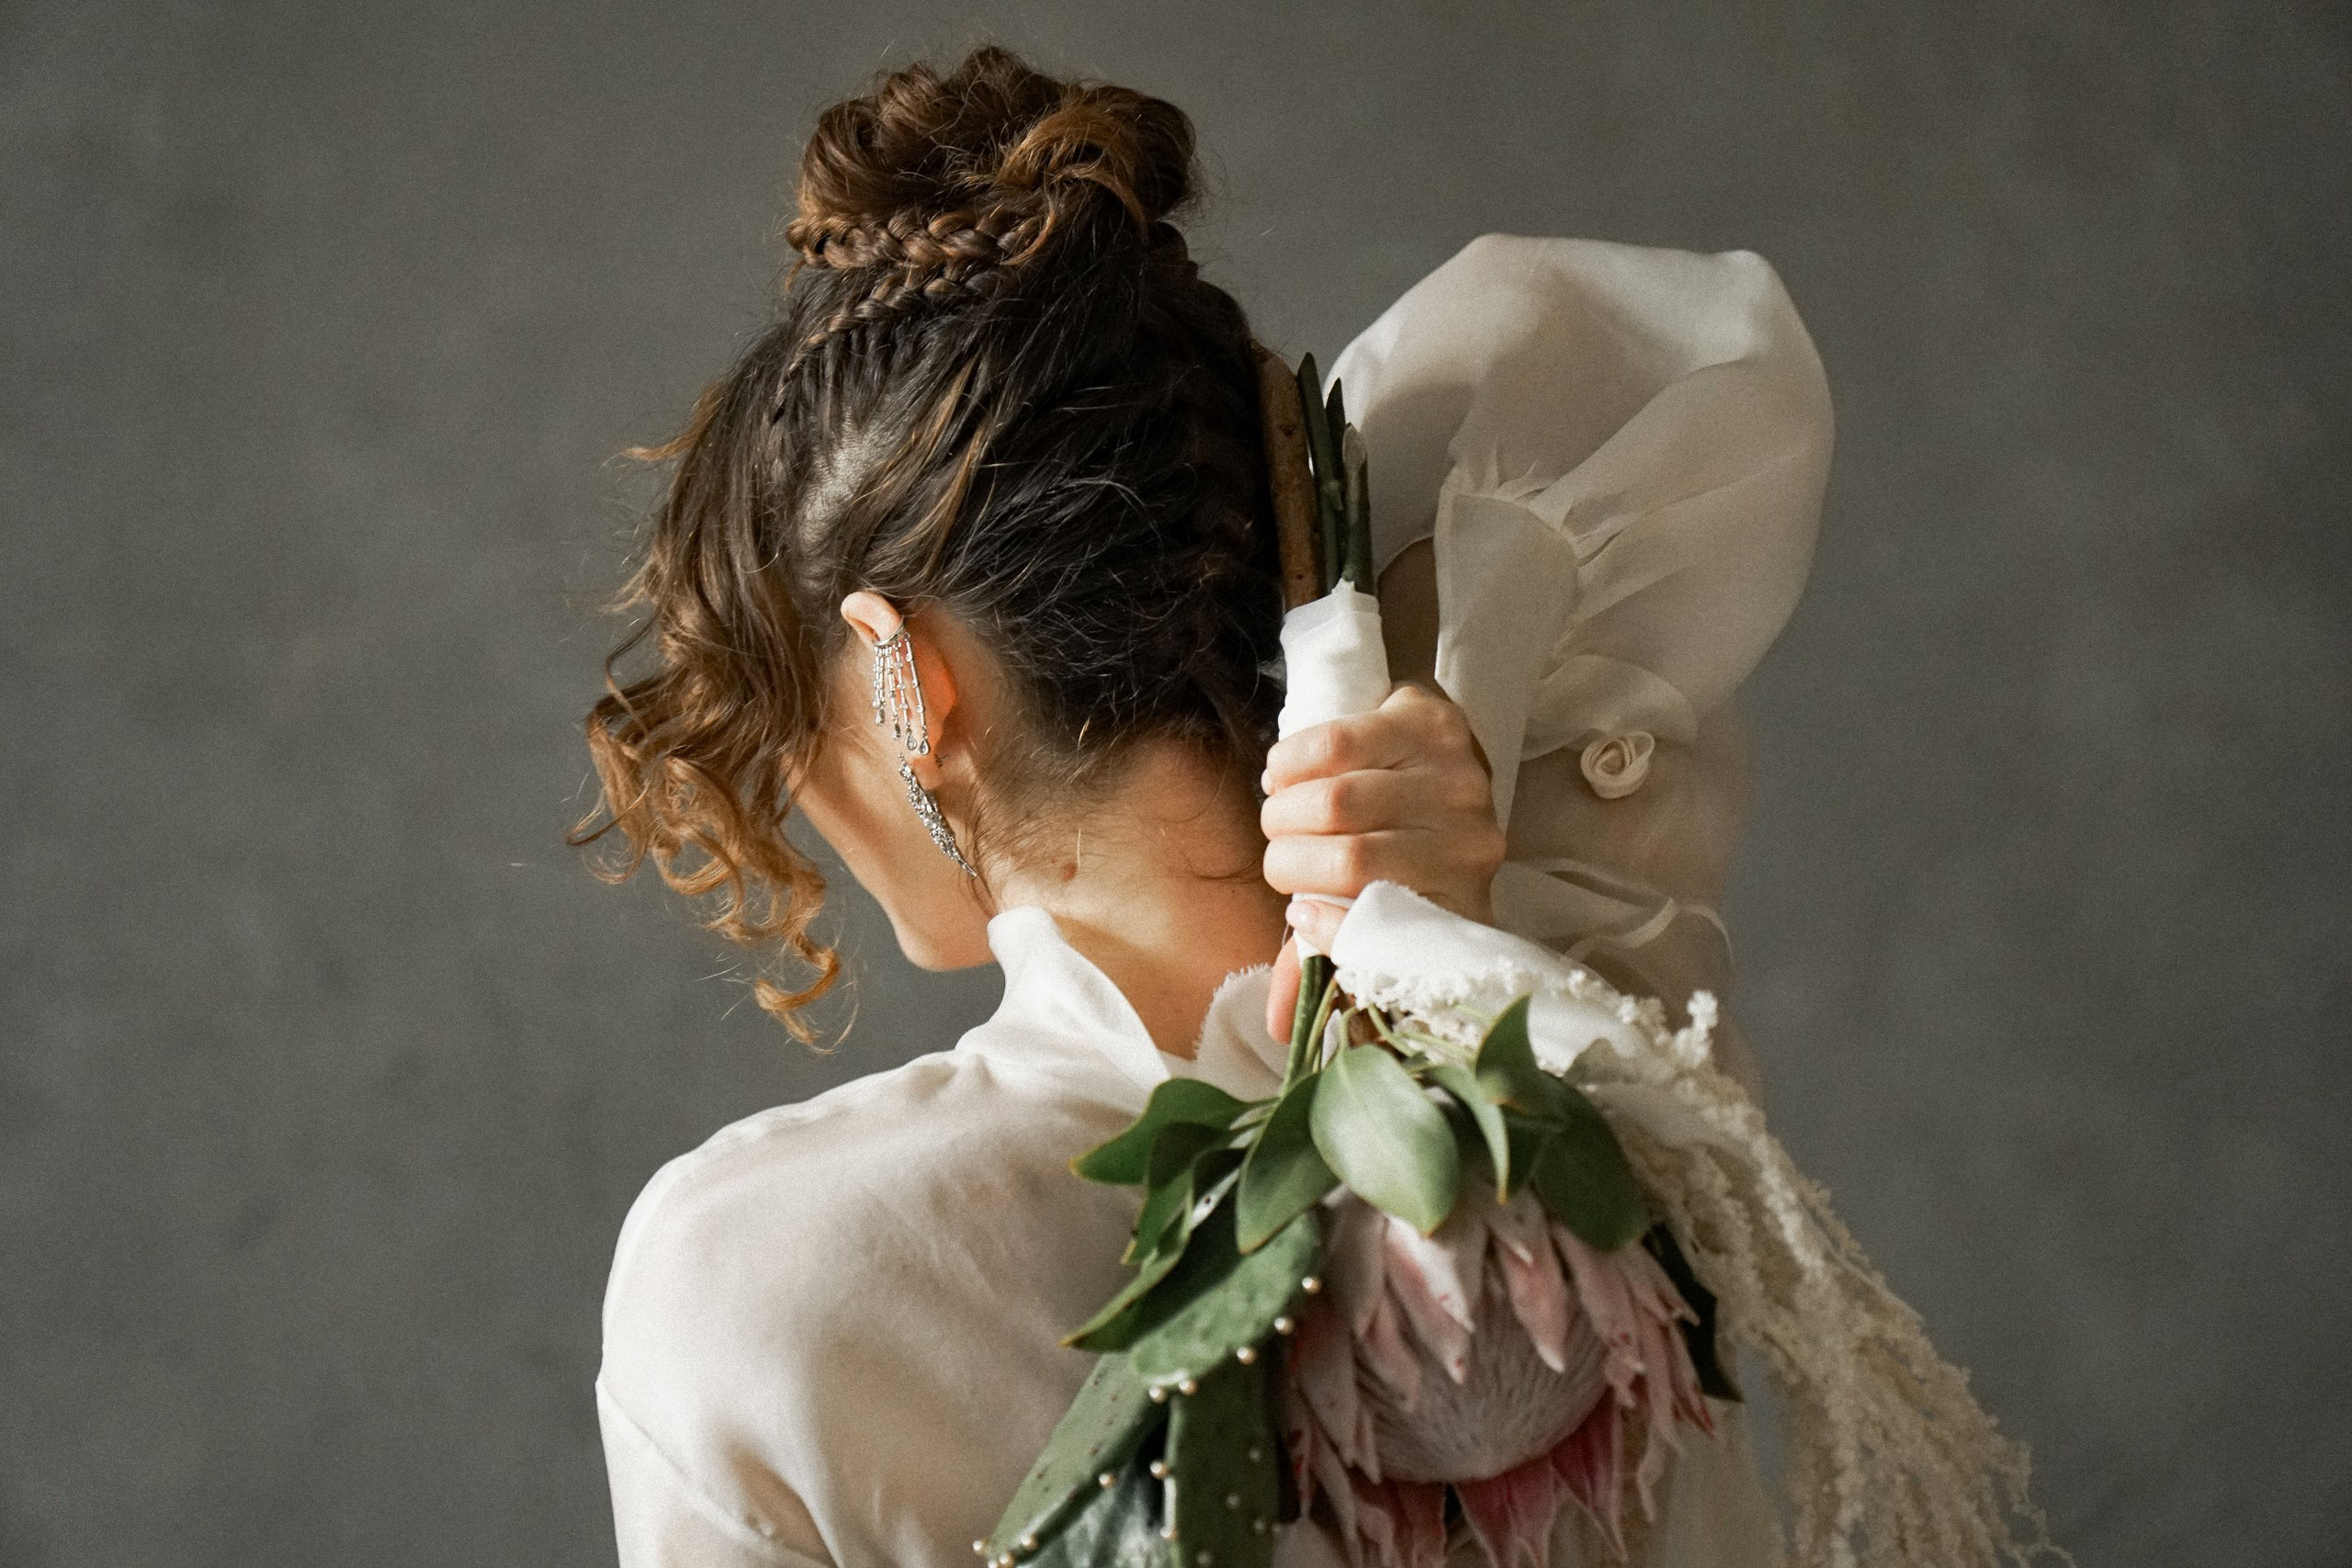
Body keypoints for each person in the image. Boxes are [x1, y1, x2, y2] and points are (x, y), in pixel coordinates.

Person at [576, 45, 1828, 1568]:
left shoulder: (766, 1286)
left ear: (903, 675)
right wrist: (1458, 952)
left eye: (786, 701)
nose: (791, 777)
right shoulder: (1589, 1043)